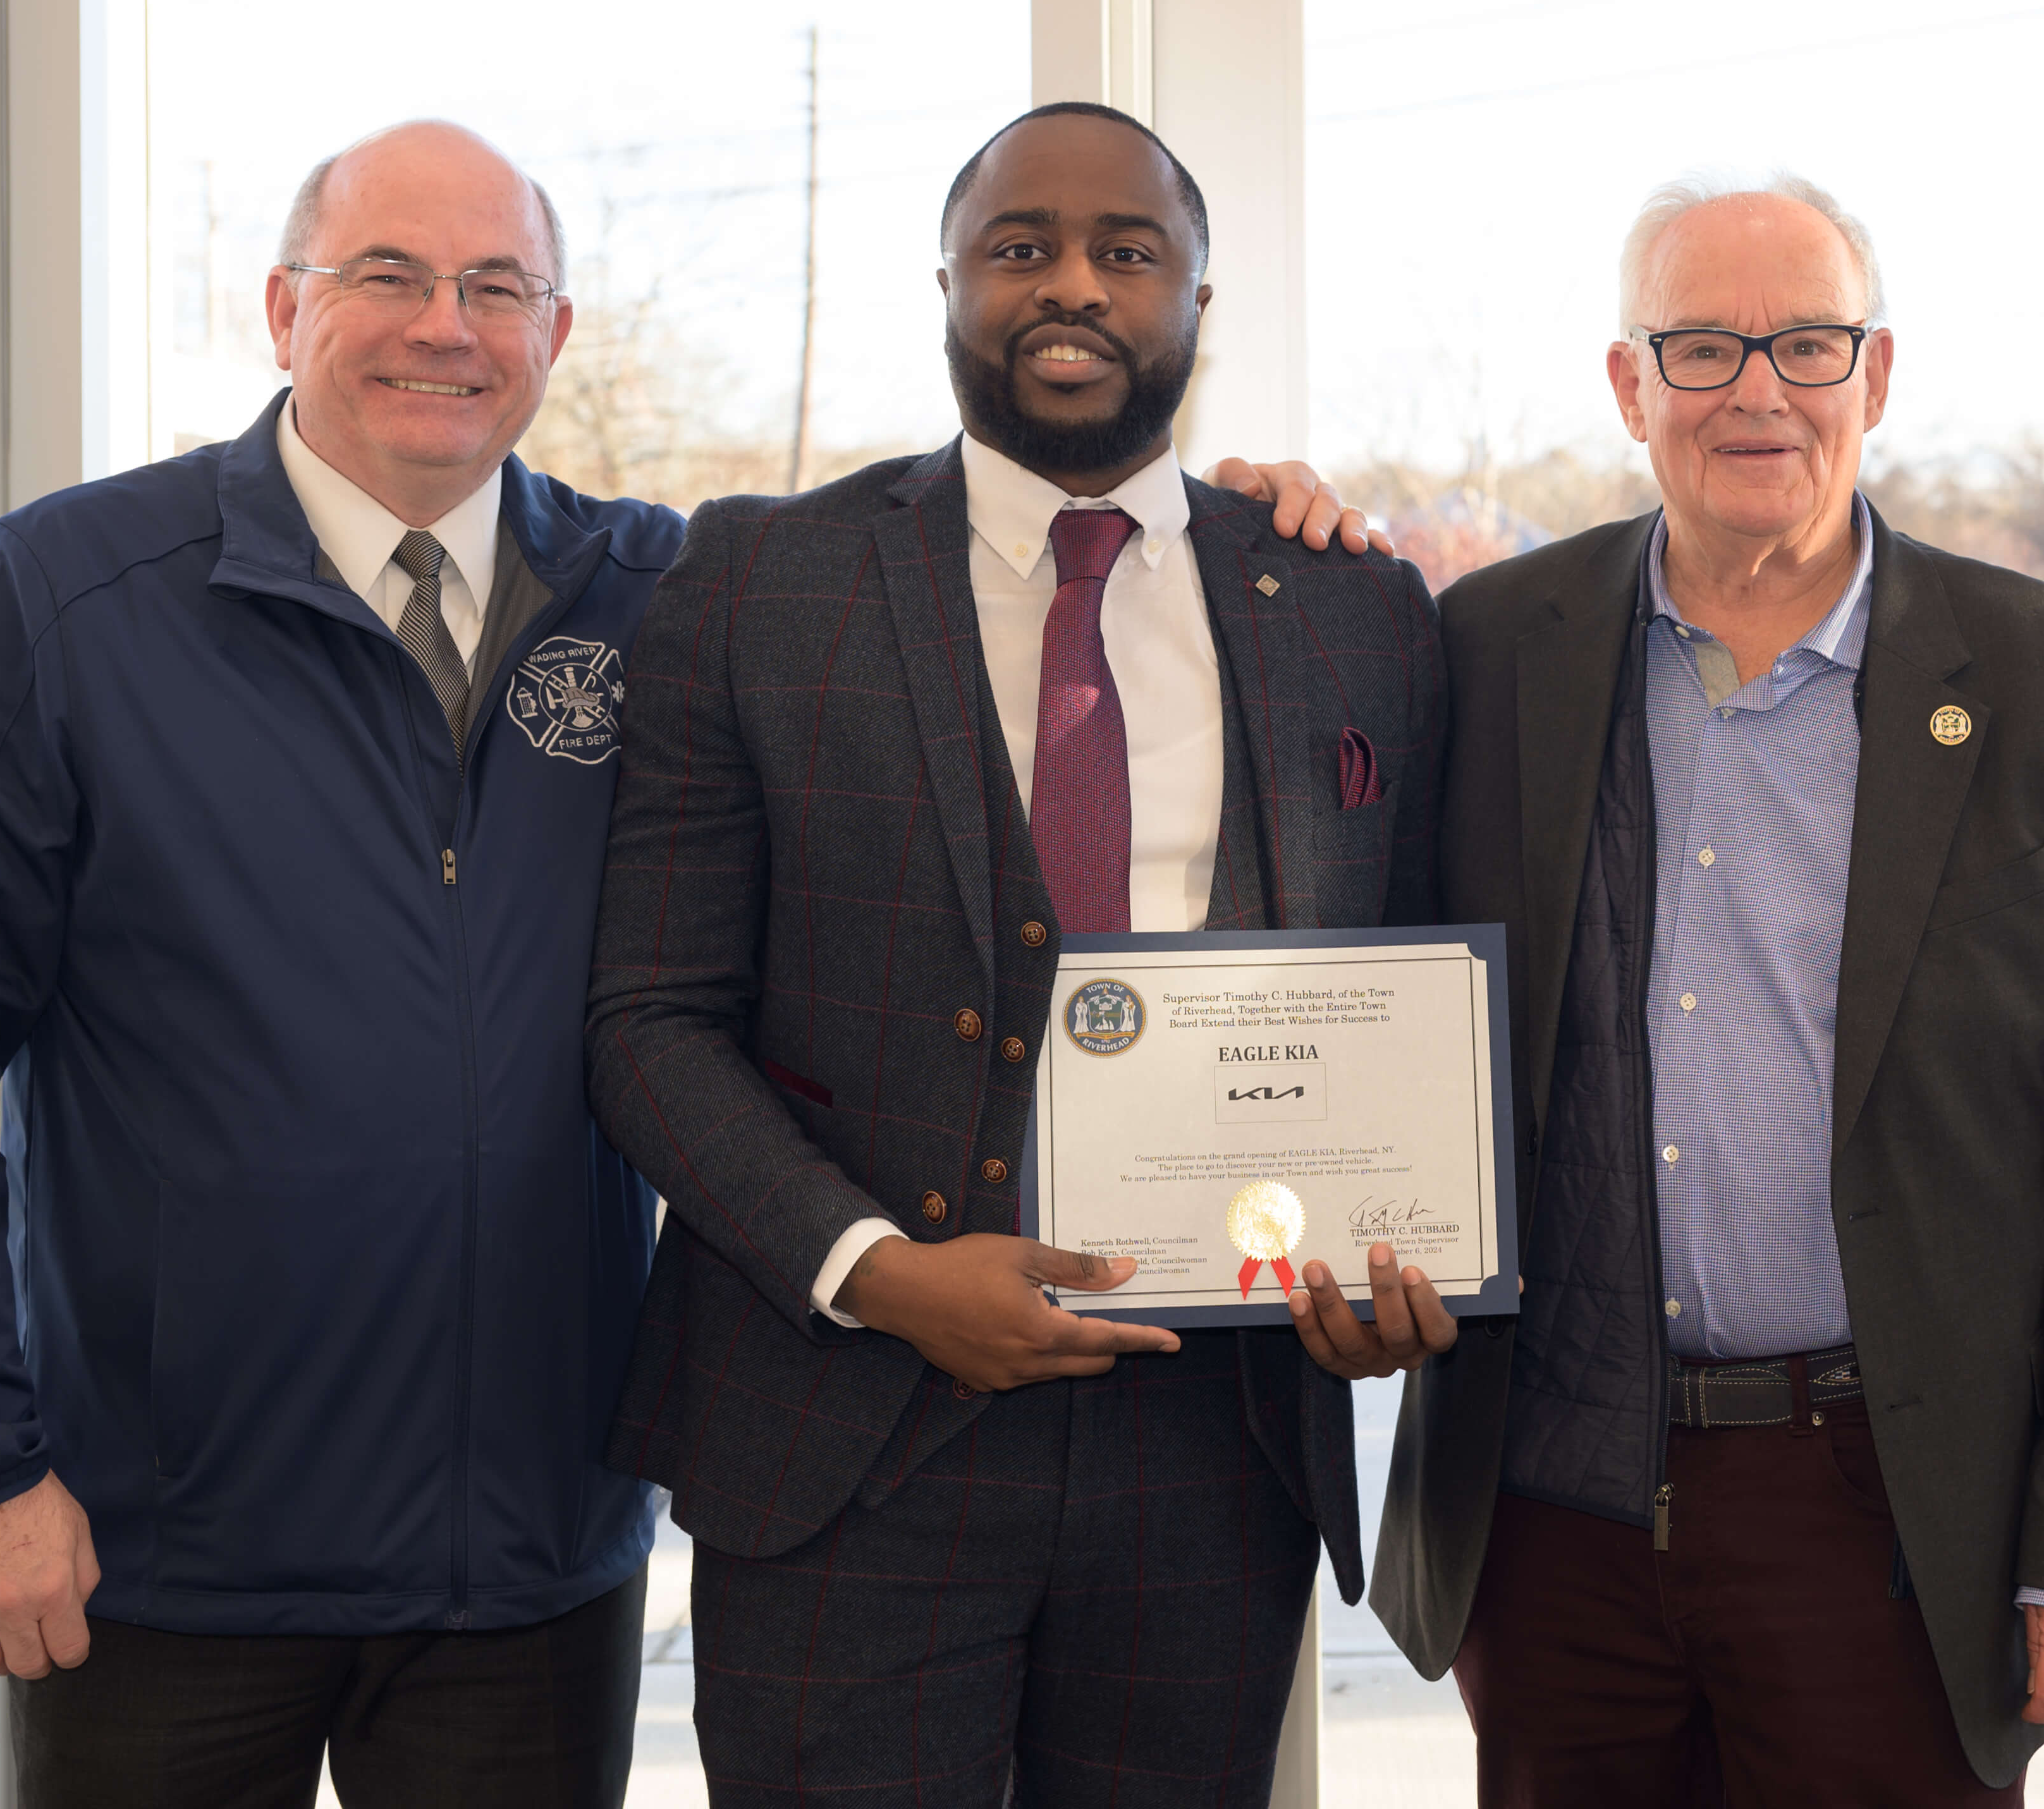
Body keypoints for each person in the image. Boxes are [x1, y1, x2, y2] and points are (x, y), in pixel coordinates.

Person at [0, 118, 1378, 1809]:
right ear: (278, 307)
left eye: (498, 286)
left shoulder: (671, 594)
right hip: (156, 1539)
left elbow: (957, 570)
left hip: (532, 1550)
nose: (443, 327)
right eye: (385, 275)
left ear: (556, 334)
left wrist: (1234, 522)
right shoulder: (62, 599)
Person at [584, 100, 1457, 1807]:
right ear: (948, 287)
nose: (1074, 284)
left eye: (1129, 253)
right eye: (1021, 245)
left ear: (1202, 302)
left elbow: (1399, 1008)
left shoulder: (1352, 608)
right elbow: (646, 1019)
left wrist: (1389, 1267)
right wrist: (876, 1270)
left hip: (1215, 1449)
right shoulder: (760, 583)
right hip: (849, 1427)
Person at [1369, 174, 2044, 1805]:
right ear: (1631, 388)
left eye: (1806, 344)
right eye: (1701, 347)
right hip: (1557, 1511)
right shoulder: (1488, 649)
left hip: (1889, 1507)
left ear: (1874, 378)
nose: (1758, 390)